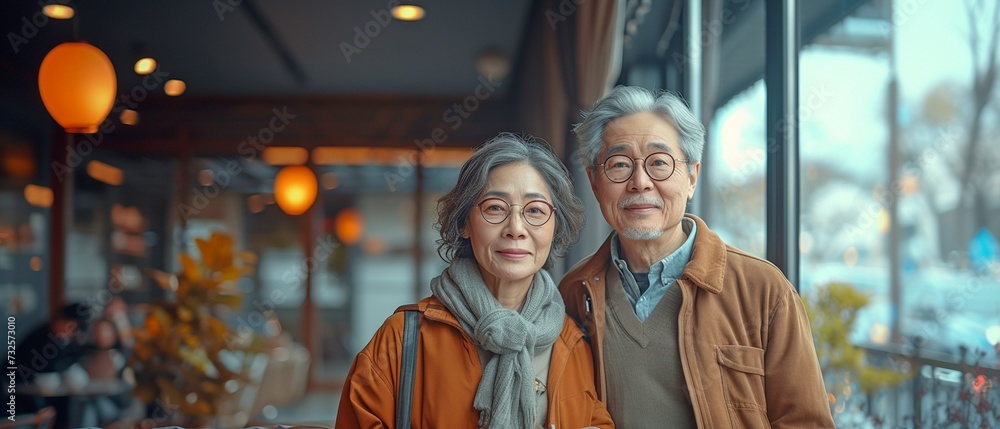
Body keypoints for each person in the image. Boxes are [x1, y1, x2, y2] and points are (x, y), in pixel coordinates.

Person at [558, 86, 835, 428]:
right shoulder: (574, 292)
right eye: (619, 164)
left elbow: (806, 422)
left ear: (691, 177)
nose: (640, 182)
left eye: (659, 163)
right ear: (594, 181)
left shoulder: (764, 290)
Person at [336, 133, 613, 429]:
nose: (516, 228)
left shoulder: (572, 342)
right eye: (495, 207)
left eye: (535, 211)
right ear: (464, 223)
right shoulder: (403, 339)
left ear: (555, 227)